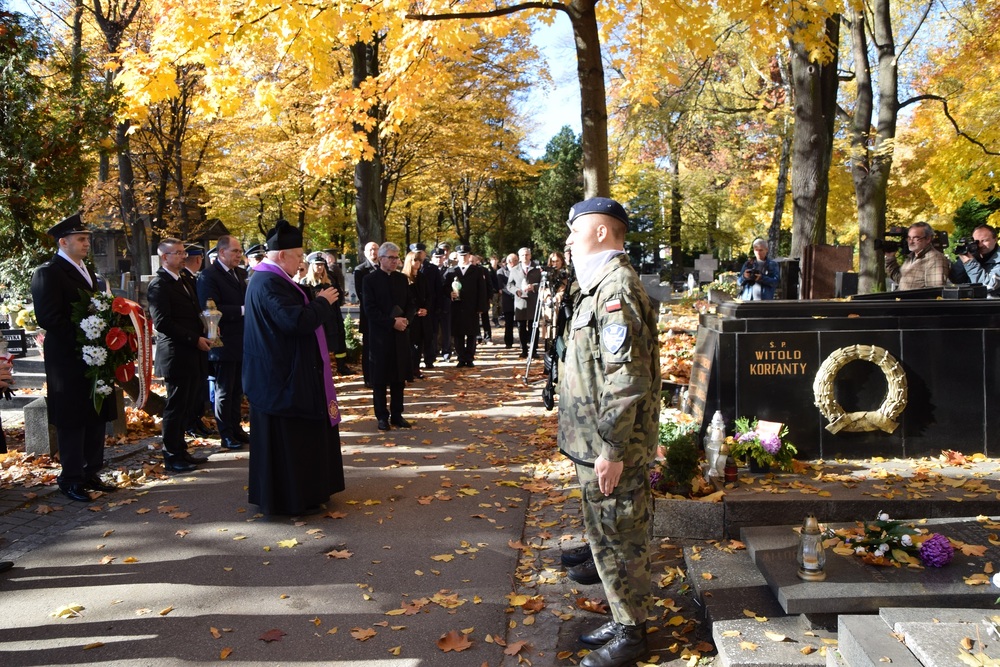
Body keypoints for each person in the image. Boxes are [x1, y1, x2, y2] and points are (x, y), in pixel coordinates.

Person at [560, 197, 659, 667]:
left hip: (612, 445)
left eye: (574, 230)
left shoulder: (615, 287)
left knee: (622, 539)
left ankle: (634, 634)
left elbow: (625, 379)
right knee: (605, 537)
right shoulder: (597, 286)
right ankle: (624, 620)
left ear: (601, 232)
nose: (568, 239)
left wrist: (613, 447)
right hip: (593, 442)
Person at [243, 219, 345, 515]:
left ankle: (304, 493)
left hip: (283, 372)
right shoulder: (269, 281)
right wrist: (322, 303)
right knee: (291, 440)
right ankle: (294, 497)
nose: (302, 261)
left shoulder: (270, 279)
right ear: (283, 254)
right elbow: (294, 321)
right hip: (282, 378)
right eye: (299, 255)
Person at [30, 213, 118, 502]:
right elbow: (49, 317)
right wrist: (85, 341)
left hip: (93, 356)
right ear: (63, 241)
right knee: (72, 419)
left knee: (94, 413)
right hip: (67, 359)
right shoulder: (49, 272)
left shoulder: (88, 271)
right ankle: (70, 477)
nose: (86, 244)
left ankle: (91, 470)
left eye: (88, 239)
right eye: (81, 239)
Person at [146, 239, 212, 472]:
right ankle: (172, 455)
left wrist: (210, 326)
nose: (184, 257)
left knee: (187, 406)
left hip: (194, 352)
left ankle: (182, 451)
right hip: (177, 355)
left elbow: (195, 312)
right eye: (179, 253)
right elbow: (163, 322)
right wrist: (194, 339)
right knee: (175, 407)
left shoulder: (185, 279)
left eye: (184, 252)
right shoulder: (159, 285)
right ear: (165, 257)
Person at [196, 235, 248, 451]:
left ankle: (236, 429)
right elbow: (210, 310)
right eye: (235, 251)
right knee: (224, 390)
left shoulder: (240, 274)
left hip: (241, 340)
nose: (239, 255)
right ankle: (225, 433)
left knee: (237, 389)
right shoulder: (209, 276)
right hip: (222, 340)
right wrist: (243, 310)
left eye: (239, 251)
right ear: (222, 252)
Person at [362, 242, 413, 431]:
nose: (395, 261)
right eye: (391, 258)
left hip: (400, 334)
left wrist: (406, 319)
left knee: (399, 377)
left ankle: (397, 414)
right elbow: (370, 309)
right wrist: (392, 322)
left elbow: (410, 303)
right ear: (381, 258)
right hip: (380, 336)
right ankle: (381, 416)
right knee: (380, 378)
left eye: (397, 257)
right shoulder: (370, 280)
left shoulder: (402, 279)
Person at [443, 245, 489, 367]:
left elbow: (482, 290)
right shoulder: (451, 271)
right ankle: (461, 357)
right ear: (457, 256)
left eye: (465, 255)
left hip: (472, 306)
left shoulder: (477, 270)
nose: (463, 257)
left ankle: (469, 357)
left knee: (471, 333)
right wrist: (449, 293)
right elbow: (445, 286)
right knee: (458, 333)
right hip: (456, 307)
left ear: (469, 256)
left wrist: (481, 307)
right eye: (461, 255)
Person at [884, 221, 950, 290]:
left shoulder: (935, 259)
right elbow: (901, 281)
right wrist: (890, 257)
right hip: (903, 300)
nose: (911, 241)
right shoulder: (912, 256)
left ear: (928, 239)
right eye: (909, 238)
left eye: (915, 238)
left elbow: (935, 292)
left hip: (914, 300)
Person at [321, 247, 352, 374]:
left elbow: (338, 293)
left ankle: (341, 365)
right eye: (316, 265)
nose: (320, 268)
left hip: (334, 313)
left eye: (321, 264)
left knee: (339, 338)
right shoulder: (309, 280)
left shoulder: (331, 276)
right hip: (321, 315)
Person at [353, 241, 380, 387]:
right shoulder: (360, 270)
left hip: (383, 317)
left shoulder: (383, 268)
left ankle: (382, 376)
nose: (373, 252)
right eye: (370, 250)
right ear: (365, 252)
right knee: (369, 348)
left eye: (376, 249)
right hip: (369, 316)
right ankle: (369, 378)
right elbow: (361, 293)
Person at [508, 247, 541, 359]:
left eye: (527, 255)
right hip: (520, 300)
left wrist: (534, 287)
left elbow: (543, 283)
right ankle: (524, 349)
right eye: (522, 255)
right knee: (521, 326)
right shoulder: (514, 269)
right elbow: (509, 285)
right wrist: (515, 291)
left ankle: (534, 349)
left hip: (533, 300)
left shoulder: (537, 268)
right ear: (519, 257)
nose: (525, 257)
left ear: (530, 255)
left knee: (534, 326)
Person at [402, 251, 429, 379]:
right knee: (409, 344)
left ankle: (416, 368)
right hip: (410, 317)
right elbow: (405, 299)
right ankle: (407, 369)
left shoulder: (423, 277)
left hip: (422, 316)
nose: (417, 263)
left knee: (419, 344)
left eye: (419, 261)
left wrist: (426, 309)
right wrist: (415, 310)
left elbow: (428, 295)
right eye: (415, 260)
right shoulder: (403, 278)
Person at [954, 224, 1000, 297]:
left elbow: (988, 286)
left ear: (995, 240)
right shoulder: (974, 256)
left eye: (984, 240)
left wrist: (970, 263)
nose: (980, 245)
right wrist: (963, 258)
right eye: (977, 242)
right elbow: (955, 281)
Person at [417, 245, 441, 369]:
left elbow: (437, 289)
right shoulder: (408, 269)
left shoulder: (432, 268)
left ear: (424, 254)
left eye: (420, 252)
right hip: (415, 308)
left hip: (430, 307)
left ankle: (429, 359)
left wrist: (435, 307)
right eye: (416, 253)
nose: (418, 255)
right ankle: (415, 360)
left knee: (429, 335)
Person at [498, 253, 517, 349]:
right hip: (508, 299)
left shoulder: (519, 270)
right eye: (516, 261)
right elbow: (501, 286)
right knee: (508, 322)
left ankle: (524, 341)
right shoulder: (501, 272)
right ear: (510, 262)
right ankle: (508, 342)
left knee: (521, 322)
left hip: (519, 299)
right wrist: (514, 292)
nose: (518, 262)